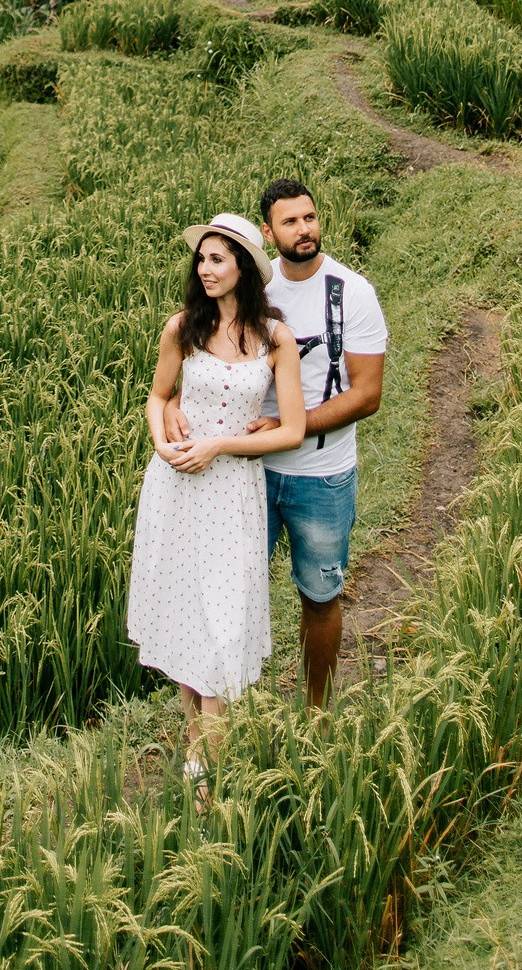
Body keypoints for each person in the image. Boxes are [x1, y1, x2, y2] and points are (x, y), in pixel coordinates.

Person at [165, 178, 387, 706]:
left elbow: (369, 394)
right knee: (230, 596)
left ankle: (317, 711)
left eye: (309, 217)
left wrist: (293, 426)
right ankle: (236, 711)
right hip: (246, 474)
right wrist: (176, 404)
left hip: (322, 472)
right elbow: (205, 362)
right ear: (268, 233)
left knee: (320, 594)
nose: (304, 229)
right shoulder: (254, 291)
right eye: (289, 222)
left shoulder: (352, 292)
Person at [127, 212, 306, 783]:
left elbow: (291, 430)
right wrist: (161, 440)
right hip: (177, 488)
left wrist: (221, 446)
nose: (205, 270)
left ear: (245, 268)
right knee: (186, 623)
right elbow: (157, 398)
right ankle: (198, 760)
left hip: (232, 492)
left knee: (225, 632)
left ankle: (206, 788)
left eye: (217, 259)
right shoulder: (182, 328)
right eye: (201, 259)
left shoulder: (275, 338)